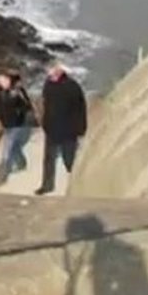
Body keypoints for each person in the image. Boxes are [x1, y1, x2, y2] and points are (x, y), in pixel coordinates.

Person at [0, 70, 36, 187]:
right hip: (6, 125)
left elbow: (28, 106)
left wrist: (20, 110)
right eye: (0, 81)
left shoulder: (18, 91)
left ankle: (0, 178)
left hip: (18, 125)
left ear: (10, 80)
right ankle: (21, 163)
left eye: (5, 80)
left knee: (6, 150)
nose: (3, 83)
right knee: (13, 147)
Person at [35, 62, 87, 195]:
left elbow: (80, 108)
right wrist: (44, 122)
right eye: (49, 70)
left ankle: (79, 185)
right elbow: (44, 104)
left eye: (52, 70)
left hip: (68, 130)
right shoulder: (48, 85)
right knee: (48, 160)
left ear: (59, 71)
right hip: (51, 129)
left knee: (69, 160)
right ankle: (47, 185)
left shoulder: (71, 86)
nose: (49, 72)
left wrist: (81, 129)